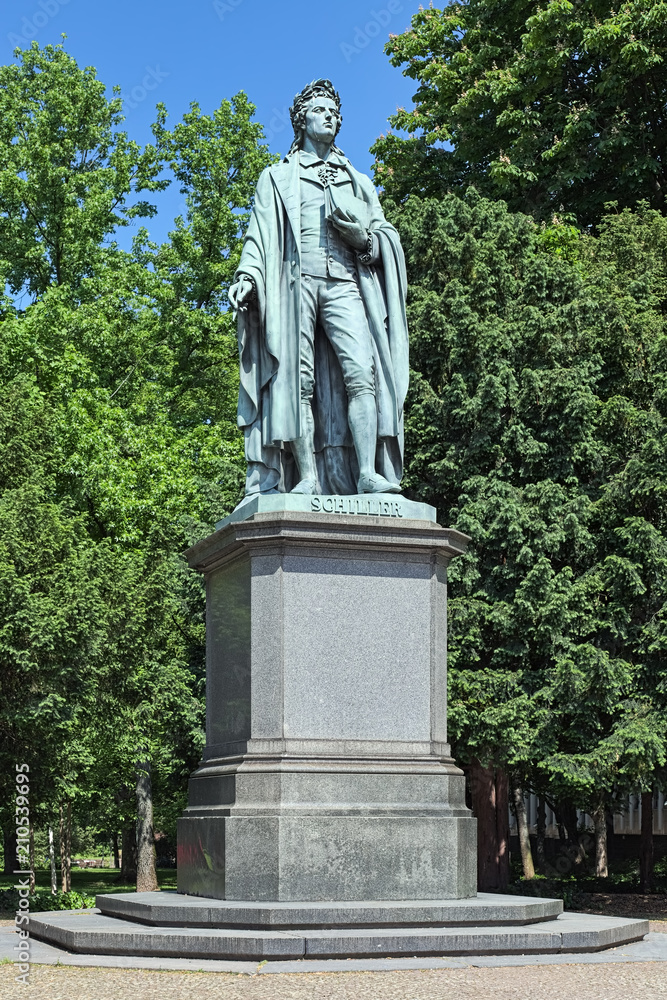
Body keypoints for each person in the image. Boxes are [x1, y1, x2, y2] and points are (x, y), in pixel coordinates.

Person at [229, 79, 409, 498]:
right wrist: (248, 277)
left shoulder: (357, 181)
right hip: (296, 287)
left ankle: (367, 473)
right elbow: (259, 237)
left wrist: (364, 240)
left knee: (362, 375)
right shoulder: (277, 177)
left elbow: (386, 236)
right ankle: (307, 477)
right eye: (320, 110)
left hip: (346, 283)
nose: (330, 117)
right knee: (298, 382)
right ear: (301, 120)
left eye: (334, 112)